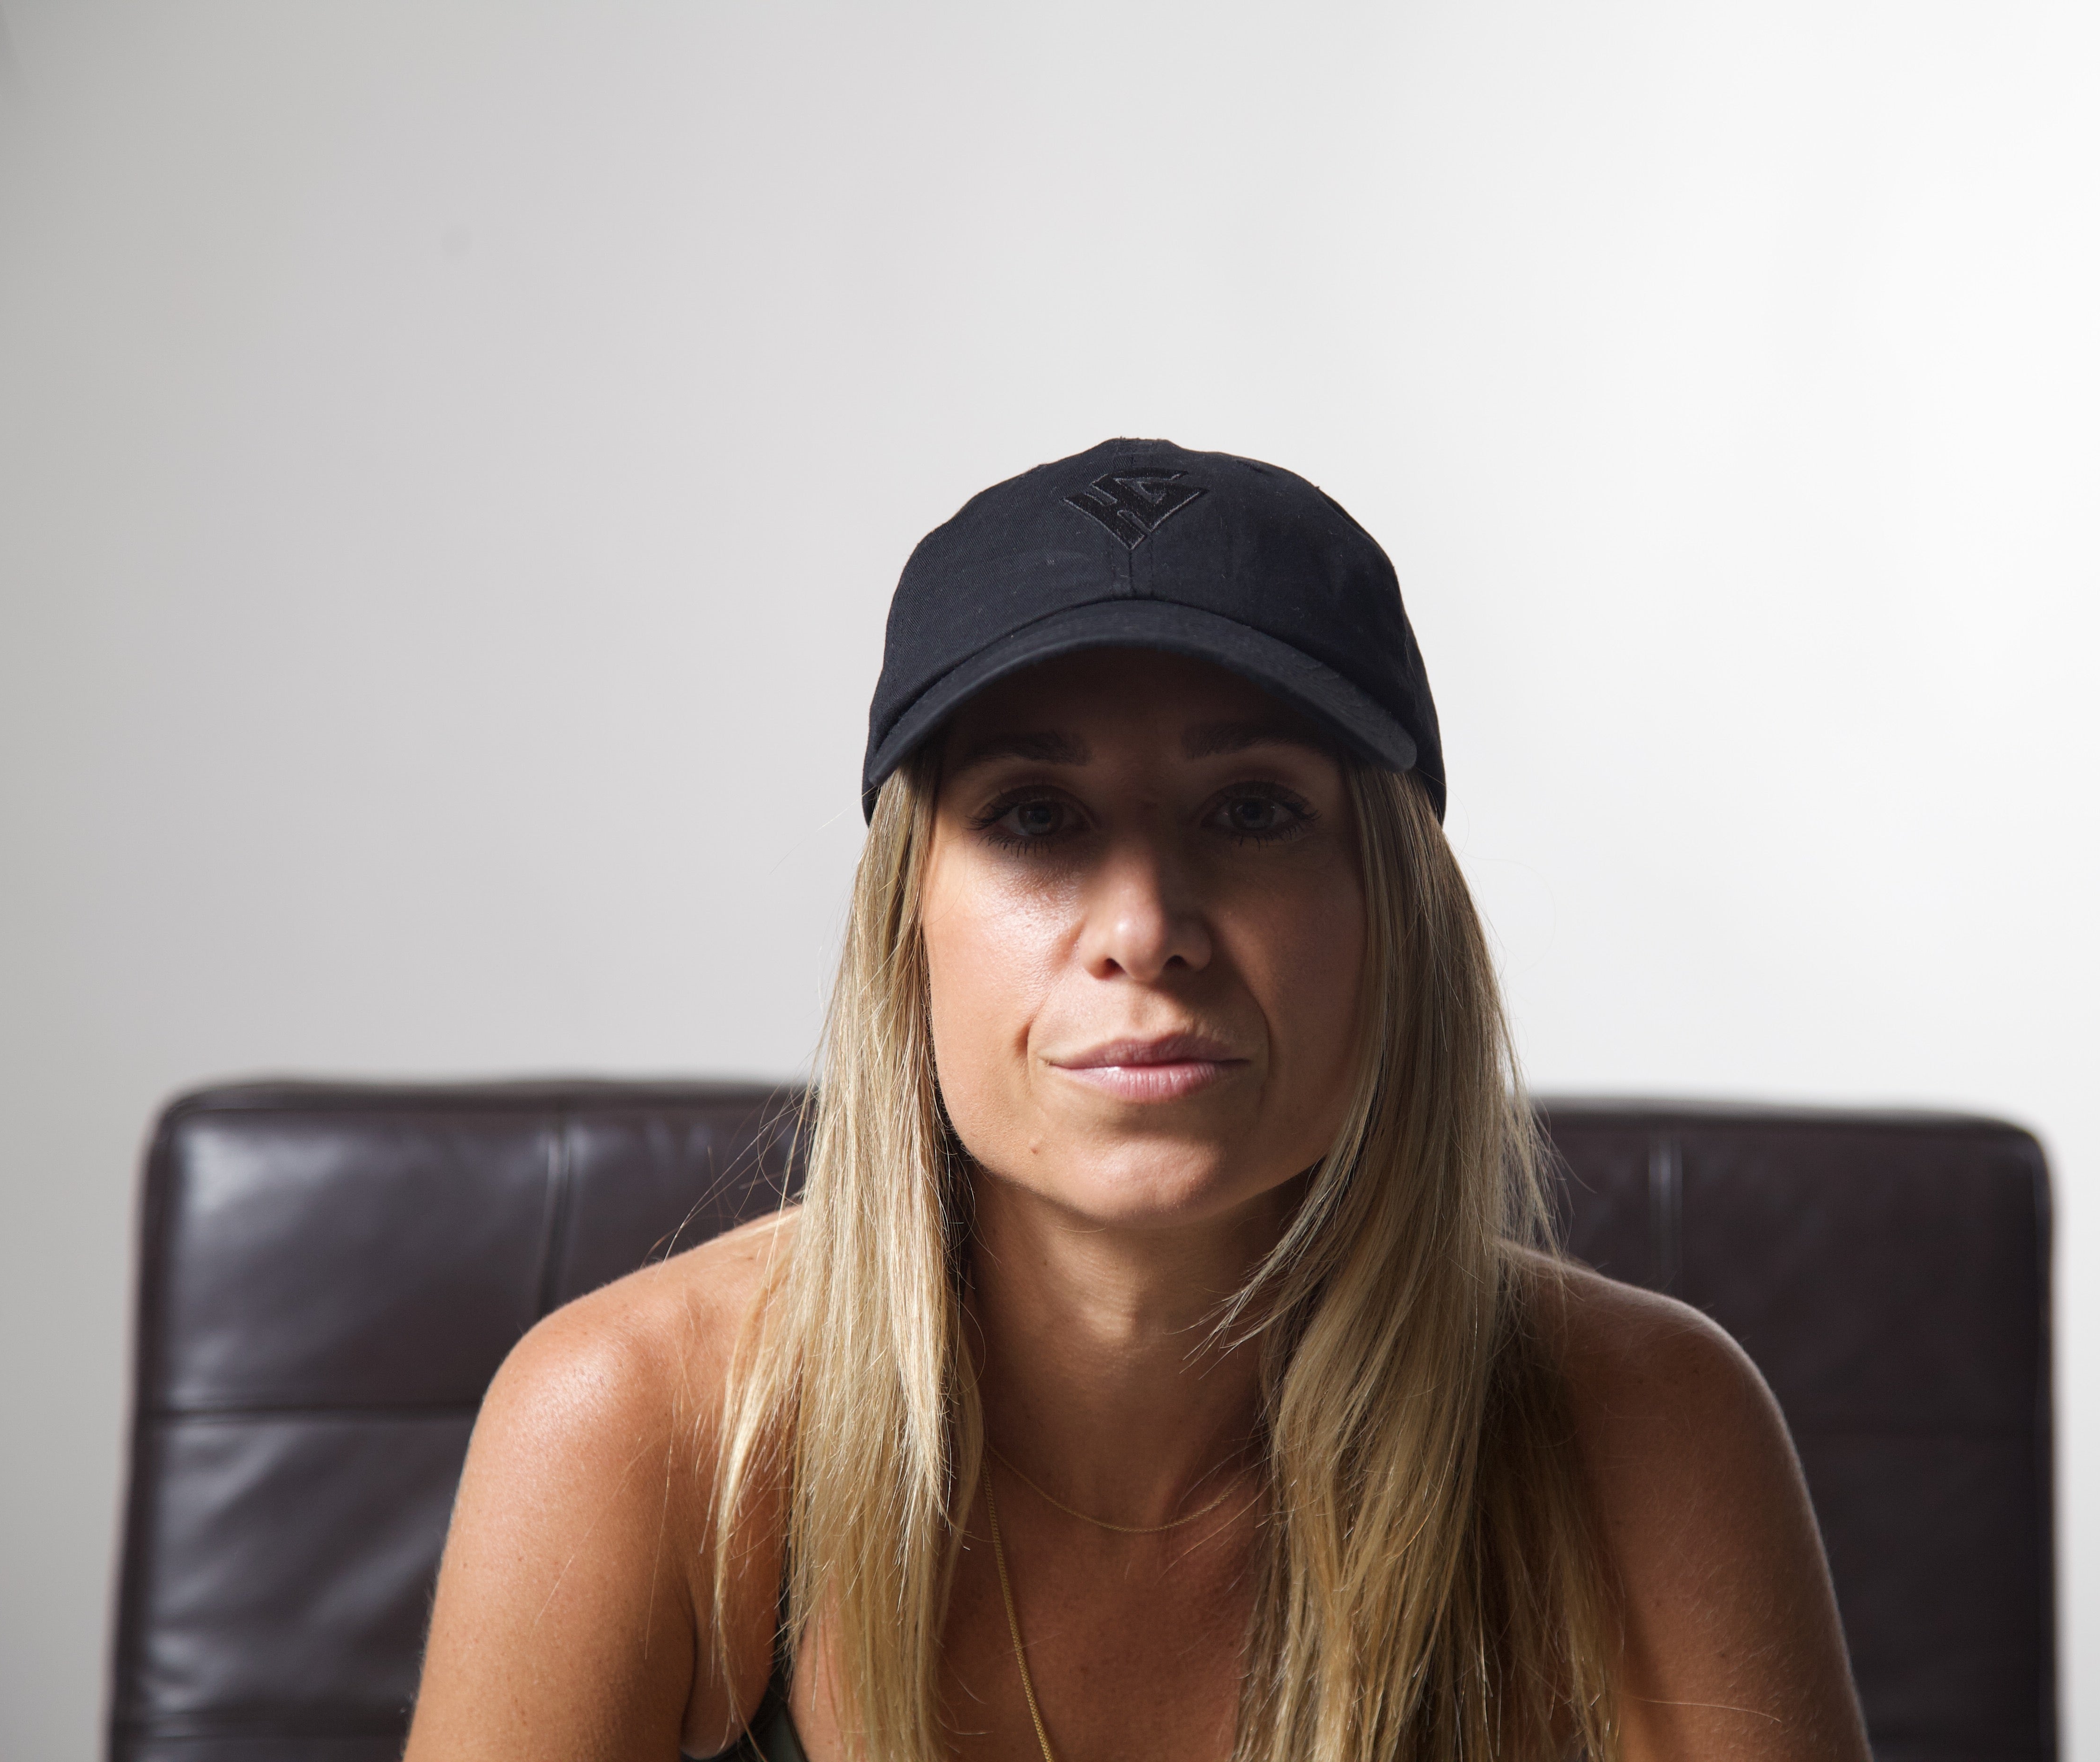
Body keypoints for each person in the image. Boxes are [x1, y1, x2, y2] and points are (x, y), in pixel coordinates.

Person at [403, 440, 1871, 1762]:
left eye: (1253, 813)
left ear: (1394, 925)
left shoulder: (1645, 1433)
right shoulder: (635, 1432)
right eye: (1036, 818)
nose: (1145, 924)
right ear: (906, 932)